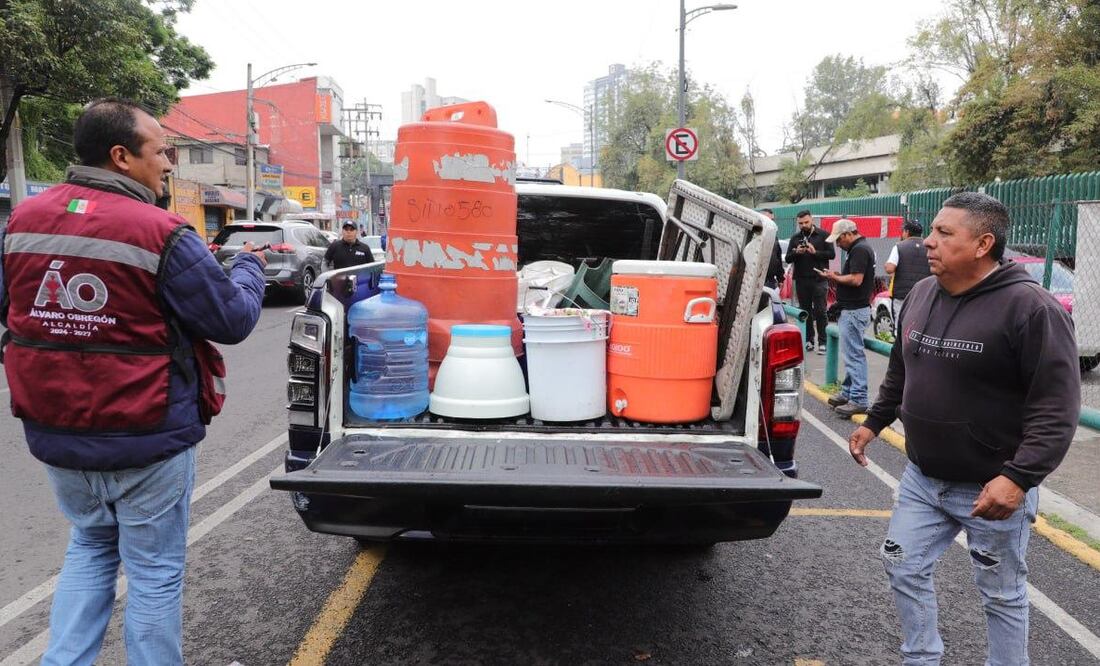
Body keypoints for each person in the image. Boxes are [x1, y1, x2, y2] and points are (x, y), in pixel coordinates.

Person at [0, 98, 266, 665]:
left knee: (91, 547)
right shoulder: (160, 230)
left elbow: (12, 309)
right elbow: (232, 320)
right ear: (121, 157)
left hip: (56, 431)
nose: (169, 163)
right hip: (146, 433)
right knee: (154, 573)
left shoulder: (21, 221)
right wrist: (247, 268)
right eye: (162, 150)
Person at [848, 192, 1079, 665]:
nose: (927, 242)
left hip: (990, 489)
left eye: (943, 234)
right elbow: (901, 369)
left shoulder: (1031, 309)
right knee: (902, 564)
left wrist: (1018, 478)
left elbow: (1056, 408)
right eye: (932, 231)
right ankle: (922, 657)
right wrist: (874, 421)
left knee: (1001, 593)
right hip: (923, 478)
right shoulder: (921, 294)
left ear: (983, 244)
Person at [818, 218, 875, 417]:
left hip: (854, 310)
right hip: (853, 309)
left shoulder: (859, 250)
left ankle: (858, 398)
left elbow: (856, 279)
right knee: (851, 353)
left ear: (848, 235)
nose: (838, 245)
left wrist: (833, 277)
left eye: (839, 240)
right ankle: (849, 391)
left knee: (853, 355)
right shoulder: (860, 248)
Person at [784, 210, 835, 354]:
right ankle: (809, 340)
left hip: (819, 279)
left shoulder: (824, 235)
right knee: (805, 311)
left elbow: (831, 254)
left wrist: (815, 252)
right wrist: (796, 252)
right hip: (801, 279)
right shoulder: (795, 238)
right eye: (800, 223)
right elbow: (788, 258)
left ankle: (823, 342)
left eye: (806, 222)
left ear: (812, 219)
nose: (804, 225)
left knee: (820, 311)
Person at [885, 220, 932, 334]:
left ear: (906, 232)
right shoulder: (929, 247)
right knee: (920, 327)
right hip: (924, 294)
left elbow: (890, 268)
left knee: (900, 327)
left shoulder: (899, 247)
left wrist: (887, 264)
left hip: (902, 295)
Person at [761, 208, 785, 291]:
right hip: (756, 279)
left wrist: (780, 278)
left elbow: (777, 259)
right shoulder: (754, 236)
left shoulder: (774, 238)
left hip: (770, 281)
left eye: (771, 220)